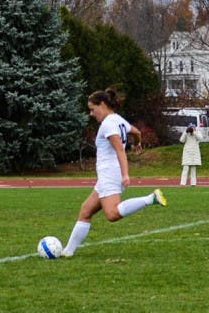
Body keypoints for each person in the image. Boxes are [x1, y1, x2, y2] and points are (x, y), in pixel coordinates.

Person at [61, 88, 166, 257]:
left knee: (112, 214)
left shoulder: (108, 123)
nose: (91, 113)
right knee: (86, 211)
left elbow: (120, 151)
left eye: (92, 109)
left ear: (102, 104)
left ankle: (150, 198)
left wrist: (125, 174)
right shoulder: (117, 120)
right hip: (107, 176)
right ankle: (67, 252)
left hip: (110, 174)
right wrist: (138, 143)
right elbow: (136, 132)